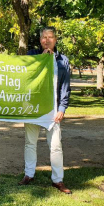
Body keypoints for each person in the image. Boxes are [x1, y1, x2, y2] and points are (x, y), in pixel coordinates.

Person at [18, 26, 72, 194]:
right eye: (44, 37)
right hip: (33, 107)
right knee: (30, 143)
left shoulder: (63, 61)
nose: (47, 40)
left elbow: (65, 86)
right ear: (40, 40)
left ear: (55, 40)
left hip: (52, 110)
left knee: (55, 145)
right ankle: (29, 174)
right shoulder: (32, 55)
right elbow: (25, 75)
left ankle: (57, 180)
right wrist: (40, 60)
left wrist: (62, 107)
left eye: (50, 37)